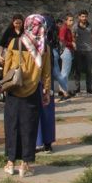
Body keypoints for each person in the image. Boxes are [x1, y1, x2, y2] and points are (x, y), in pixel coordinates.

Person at [2, 14, 52, 178]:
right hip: (32, 92)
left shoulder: (14, 42)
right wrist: (46, 91)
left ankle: (10, 163)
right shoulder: (44, 47)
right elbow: (46, 73)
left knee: (12, 126)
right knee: (29, 127)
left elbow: (7, 67)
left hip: (14, 91)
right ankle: (25, 164)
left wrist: (5, 87)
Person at [36, 15, 58, 154]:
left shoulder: (44, 44)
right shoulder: (45, 42)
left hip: (40, 83)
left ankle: (43, 142)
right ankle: (44, 143)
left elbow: (47, 69)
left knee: (41, 112)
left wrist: (47, 86)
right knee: (43, 113)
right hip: (42, 83)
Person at [73, 9, 92, 95]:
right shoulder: (75, 26)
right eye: (82, 16)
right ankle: (77, 88)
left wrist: (91, 44)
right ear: (79, 17)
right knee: (77, 70)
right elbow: (73, 36)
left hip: (88, 51)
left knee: (89, 70)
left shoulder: (91, 25)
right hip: (78, 50)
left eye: (85, 16)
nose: (84, 18)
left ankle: (89, 89)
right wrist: (74, 44)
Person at [58, 14, 75, 100]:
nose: (71, 22)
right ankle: (64, 91)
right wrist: (71, 43)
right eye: (70, 20)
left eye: (72, 20)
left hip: (69, 50)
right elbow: (62, 40)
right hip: (66, 50)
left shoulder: (68, 29)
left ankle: (62, 89)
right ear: (66, 21)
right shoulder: (64, 29)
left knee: (65, 72)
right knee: (65, 72)